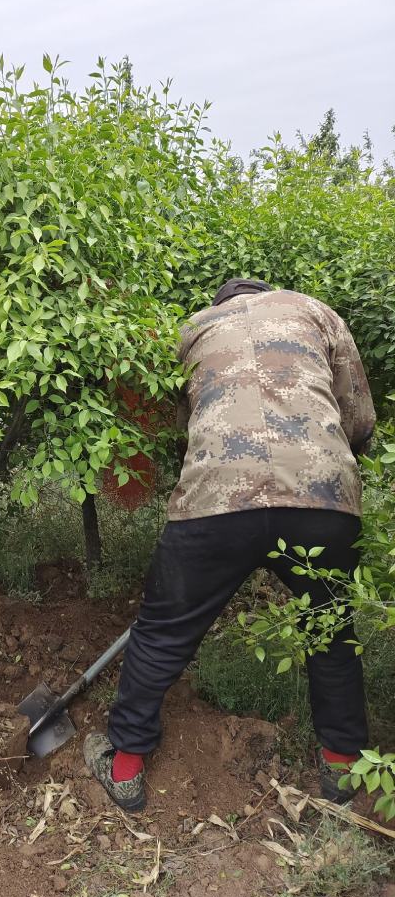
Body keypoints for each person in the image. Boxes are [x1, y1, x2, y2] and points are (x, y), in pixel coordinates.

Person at [84, 278, 376, 813]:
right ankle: (341, 766)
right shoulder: (318, 314)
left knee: (162, 631)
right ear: (270, 292)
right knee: (330, 628)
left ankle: (124, 766)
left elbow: (182, 424)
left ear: (221, 303)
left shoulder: (192, 330)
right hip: (323, 496)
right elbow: (357, 417)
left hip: (216, 499)